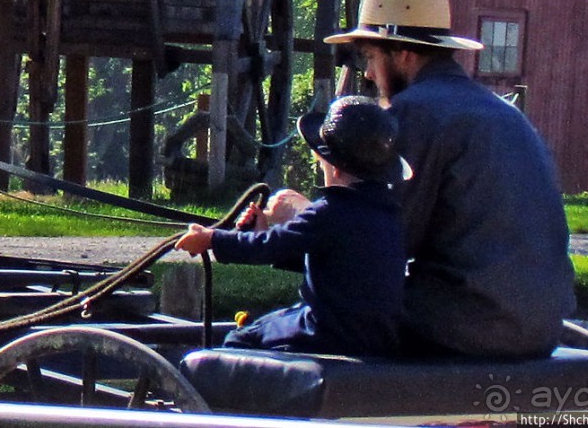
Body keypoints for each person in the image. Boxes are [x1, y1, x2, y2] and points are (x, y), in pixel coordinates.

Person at [281, 0, 576, 359]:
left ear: (404, 54)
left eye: (370, 56)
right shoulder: (505, 113)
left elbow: (374, 247)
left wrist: (293, 220)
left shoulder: (412, 113)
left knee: (278, 333)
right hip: (541, 328)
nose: (368, 74)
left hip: (463, 327)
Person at [175, 95, 411, 357]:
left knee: (241, 339)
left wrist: (210, 239)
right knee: (272, 322)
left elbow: (268, 247)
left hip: (326, 331)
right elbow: (340, 260)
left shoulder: (329, 212)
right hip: (377, 338)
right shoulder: (388, 214)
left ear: (334, 167)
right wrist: (262, 232)